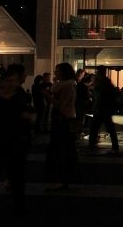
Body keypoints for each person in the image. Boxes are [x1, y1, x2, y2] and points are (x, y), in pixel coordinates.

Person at [0, 64, 31, 207]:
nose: (12, 84)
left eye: (14, 81)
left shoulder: (19, 99)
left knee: (16, 178)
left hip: (15, 144)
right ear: (2, 81)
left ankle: (19, 207)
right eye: (9, 80)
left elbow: (26, 121)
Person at [44, 62, 78, 190]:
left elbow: (61, 105)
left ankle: (61, 178)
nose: (56, 72)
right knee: (62, 149)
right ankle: (62, 178)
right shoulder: (66, 84)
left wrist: (48, 96)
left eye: (58, 71)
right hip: (62, 119)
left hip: (63, 120)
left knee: (61, 150)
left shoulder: (67, 85)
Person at [88, 65, 119, 154]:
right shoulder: (107, 82)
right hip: (106, 109)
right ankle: (115, 146)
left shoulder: (101, 83)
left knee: (94, 128)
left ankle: (91, 146)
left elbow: (99, 97)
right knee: (110, 128)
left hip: (100, 109)